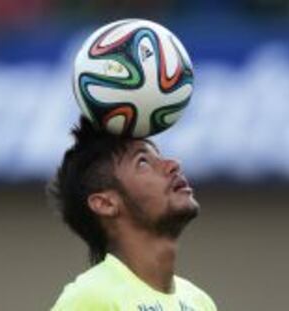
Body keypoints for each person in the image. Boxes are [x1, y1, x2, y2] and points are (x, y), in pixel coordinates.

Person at [47, 116, 217, 311]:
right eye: (143, 162)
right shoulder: (90, 298)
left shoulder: (200, 302)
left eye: (160, 157)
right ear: (105, 203)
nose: (173, 164)